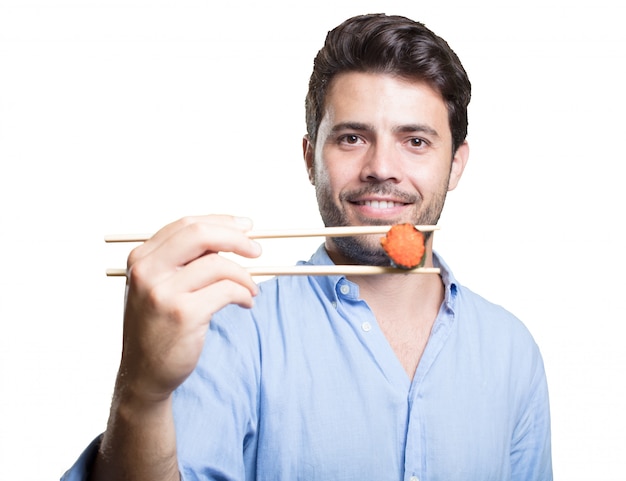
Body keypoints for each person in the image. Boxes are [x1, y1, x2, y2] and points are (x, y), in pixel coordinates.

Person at [62, 13, 552, 481]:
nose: (381, 167)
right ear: (310, 158)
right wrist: (142, 393)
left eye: (416, 141)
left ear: (457, 165)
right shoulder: (234, 329)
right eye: (352, 137)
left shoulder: (513, 352)